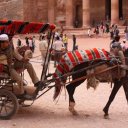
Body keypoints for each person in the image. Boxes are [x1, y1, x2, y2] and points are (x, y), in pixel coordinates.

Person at [0, 34, 43, 99]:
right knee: (19, 79)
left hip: (12, 63)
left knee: (28, 65)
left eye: (8, 41)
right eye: (6, 42)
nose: (8, 43)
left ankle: (36, 82)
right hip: (6, 68)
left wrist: (23, 59)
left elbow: (15, 54)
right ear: (1, 43)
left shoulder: (9, 47)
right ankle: (22, 93)